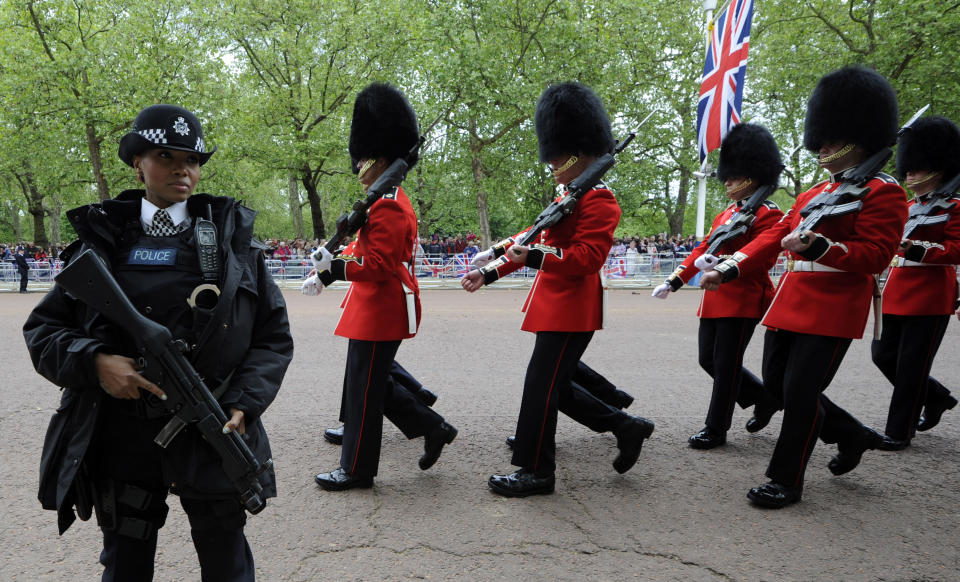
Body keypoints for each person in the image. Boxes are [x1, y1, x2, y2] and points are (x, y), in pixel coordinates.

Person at [23, 104, 292, 580]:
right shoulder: (101, 244)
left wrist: (245, 403)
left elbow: (272, 338)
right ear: (137, 163)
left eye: (192, 159)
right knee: (125, 565)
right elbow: (43, 332)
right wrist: (97, 362)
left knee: (227, 564)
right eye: (165, 156)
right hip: (123, 437)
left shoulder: (234, 246)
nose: (182, 168)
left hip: (215, 429)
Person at [700, 66, 908, 508]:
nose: (823, 147)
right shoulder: (813, 194)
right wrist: (730, 267)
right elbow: (770, 240)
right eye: (823, 139)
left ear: (860, 136)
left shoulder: (882, 191)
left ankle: (786, 479)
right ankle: (851, 435)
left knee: (799, 393)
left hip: (834, 305)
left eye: (832, 140)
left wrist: (820, 246)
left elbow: (875, 253)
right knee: (779, 387)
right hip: (791, 301)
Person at [462, 82, 654, 497]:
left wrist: (524, 258)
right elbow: (533, 235)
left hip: (573, 306)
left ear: (582, 152)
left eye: (558, 156)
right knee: (555, 387)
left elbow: (585, 260)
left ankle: (537, 471)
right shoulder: (570, 193)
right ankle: (625, 426)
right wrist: (493, 264)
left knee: (541, 386)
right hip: (553, 303)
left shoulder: (600, 200)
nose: (551, 164)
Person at [307, 83, 457, 491]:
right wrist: (326, 268)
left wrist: (335, 268)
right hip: (373, 305)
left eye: (365, 160)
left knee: (364, 392)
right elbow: (361, 246)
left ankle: (357, 469)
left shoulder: (389, 202)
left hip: (382, 307)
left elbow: (377, 263)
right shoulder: (380, 198)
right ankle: (432, 427)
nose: (360, 167)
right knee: (372, 385)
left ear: (383, 159)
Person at [653, 123, 784, 449]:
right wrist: (675, 279)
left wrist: (725, 269)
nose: (727, 182)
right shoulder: (726, 215)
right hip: (715, 298)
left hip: (743, 296)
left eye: (734, 177)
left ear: (753, 176)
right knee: (707, 360)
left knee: (726, 366)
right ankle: (764, 398)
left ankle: (716, 428)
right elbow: (703, 250)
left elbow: (758, 257)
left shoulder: (769, 214)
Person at [871, 116, 960, 447]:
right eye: (908, 167)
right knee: (881, 355)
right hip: (895, 291)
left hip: (929, 295)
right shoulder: (905, 206)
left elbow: (957, 248)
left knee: (911, 367)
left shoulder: (954, 207)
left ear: (938, 167)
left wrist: (921, 251)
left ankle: (898, 431)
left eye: (917, 168)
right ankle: (935, 396)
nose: (909, 173)